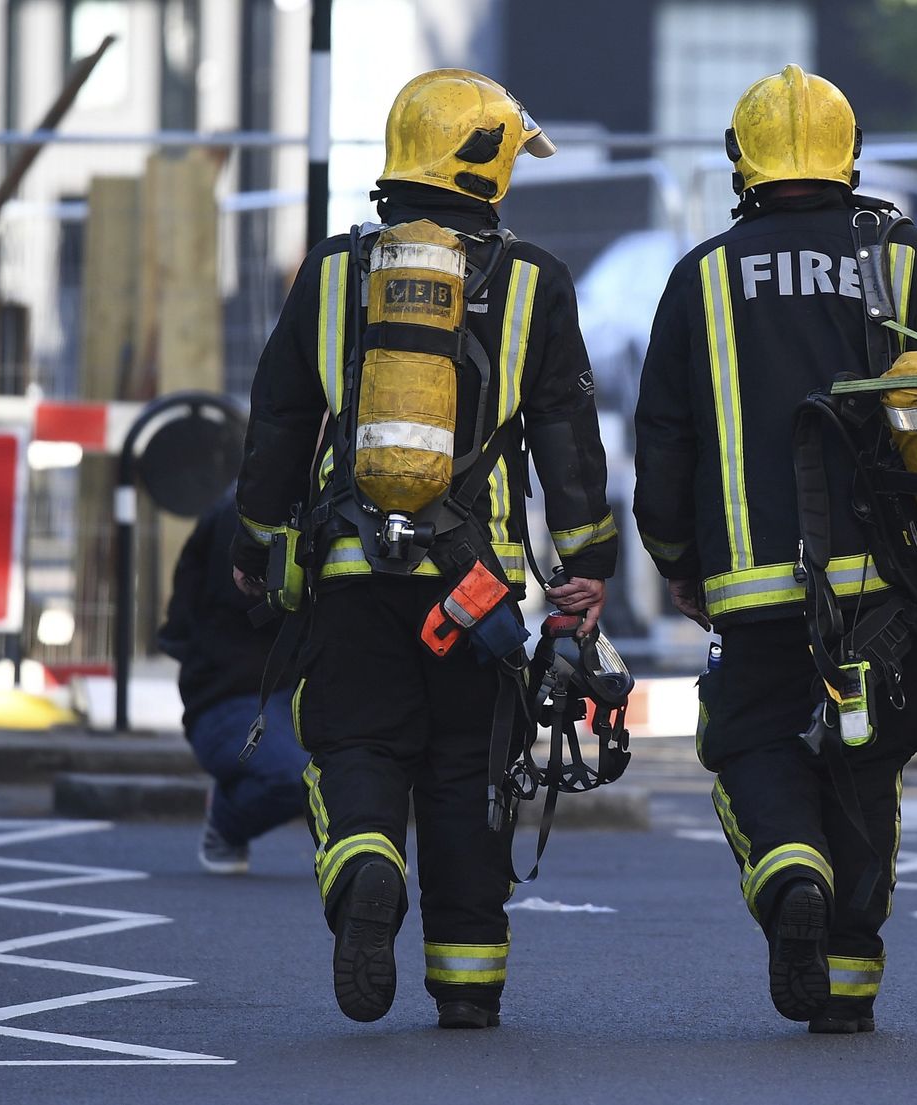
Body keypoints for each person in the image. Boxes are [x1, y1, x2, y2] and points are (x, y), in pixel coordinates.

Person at [633, 65, 917, 1034]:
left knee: (754, 739)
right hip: (893, 593)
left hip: (755, 589)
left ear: (741, 162)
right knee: (866, 767)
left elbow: (664, 441)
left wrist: (677, 558)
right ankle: (847, 985)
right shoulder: (910, 259)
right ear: (848, 157)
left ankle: (787, 868)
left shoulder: (702, 278)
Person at [231, 69, 617, 1030]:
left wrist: (257, 539)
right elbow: (568, 435)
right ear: (484, 165)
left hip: (353, 572)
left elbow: (280, 415)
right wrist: (587, 566)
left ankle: (365, 862)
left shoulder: (331, 271)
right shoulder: (534, 281)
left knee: (358, 739)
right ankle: (469, 982)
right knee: (467, 767)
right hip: (475, 586)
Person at [158, 494, 310, 875]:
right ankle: (226, 820)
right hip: (233, 693)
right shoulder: (244, 515)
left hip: (287, 687)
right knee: (296, 778)